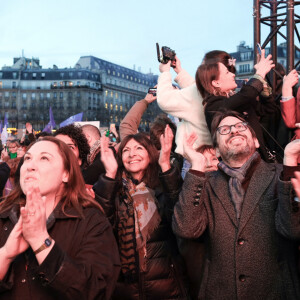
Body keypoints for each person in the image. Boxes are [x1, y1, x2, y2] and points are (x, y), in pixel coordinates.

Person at [172, 110, 300, 299]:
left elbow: (293, 229)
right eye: (224, 130)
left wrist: (290, 161)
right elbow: (186, 229)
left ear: (256, 141)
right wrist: (197, 165)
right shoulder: (204, 182)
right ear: (216, 149)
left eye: (241, 126)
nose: (233, 131)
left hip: (276, 291)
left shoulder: (281, 175)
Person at [0, 136, 120, 299]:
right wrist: (6, 254)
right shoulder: (3, 215)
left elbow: (97, 290)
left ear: (66, 174)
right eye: (27, 158)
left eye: (44, 158)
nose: (30, 166)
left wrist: (41, 242)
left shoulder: (91, 221)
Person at [93, 128, 188, 299]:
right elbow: (101, 225)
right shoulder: (113, 190)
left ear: (150, 154)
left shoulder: (163, 185)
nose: (131, 154)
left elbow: (181, 214)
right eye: (126, 150)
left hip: (167, 285)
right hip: (126, 289)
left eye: (138, 148)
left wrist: (166, 165)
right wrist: (109, 174)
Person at [196, 49, 275, 161]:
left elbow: (269, 110)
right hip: (238, 169)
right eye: (227, 72)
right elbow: (247, 94)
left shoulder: (236, 99)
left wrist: (264, 85)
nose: (233, 74)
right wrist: (260, 73)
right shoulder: (213, 106)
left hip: (261, 161)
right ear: (216, 83)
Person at [157, 52, 237, 157]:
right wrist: (179, 71)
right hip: (218, 156)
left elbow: (165, 100)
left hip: (195, 156)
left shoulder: (196, 94)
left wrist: (165, 72)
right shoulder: (224, 94)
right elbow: (196, 87)